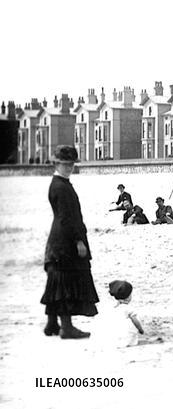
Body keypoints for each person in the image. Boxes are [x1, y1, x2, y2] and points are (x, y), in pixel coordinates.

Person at [41, 145, 99, 339]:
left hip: (57, 240)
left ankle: (51, 324)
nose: (69, 167)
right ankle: (66, 327)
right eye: (64, 164)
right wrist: (78, 241)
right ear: (56, 164)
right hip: (65, 241)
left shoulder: (58, 183)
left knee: (56, 281)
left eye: (71, 164)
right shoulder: (61, 186)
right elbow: (67, 218)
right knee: (65, 282)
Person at [105, 280, 144, 348]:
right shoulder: (128, 308)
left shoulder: (112, 306)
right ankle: (129, 340)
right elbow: (135, 321)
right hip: (124, 336)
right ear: (128, 297)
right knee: (130, 320)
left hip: (112, 334)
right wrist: (141, 330)